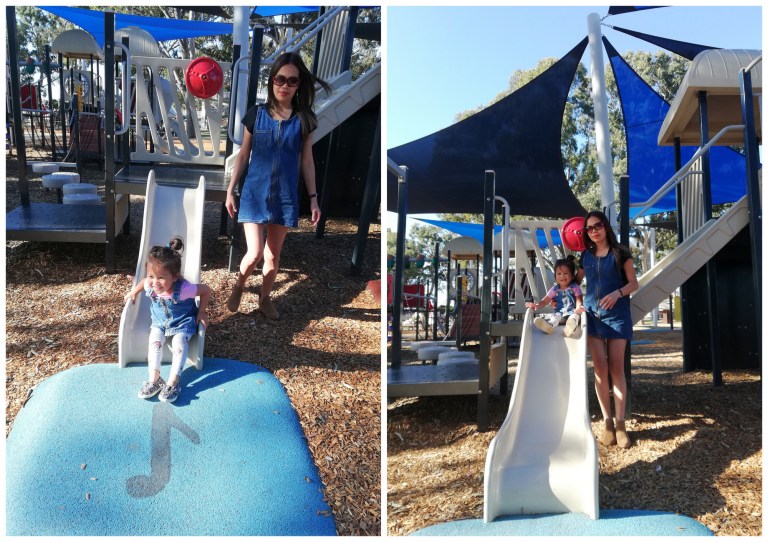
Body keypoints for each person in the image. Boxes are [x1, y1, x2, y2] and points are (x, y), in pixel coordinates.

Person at [224, 52, 329, 320]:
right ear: (272, 80)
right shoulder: (256, 114)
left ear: (299, 85)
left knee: (272, 257)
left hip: (284, 196)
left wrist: (313, 198)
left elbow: (307, 161)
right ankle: (239, 286)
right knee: (255, 253)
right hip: (254, 193)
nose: (285, 85)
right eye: (280, 79)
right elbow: (243, 155)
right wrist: (230, 190)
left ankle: (265, 299)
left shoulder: (304, 120)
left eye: (292, 81)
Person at [575, 211, 638, 449]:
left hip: (617, 316)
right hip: (593, 317)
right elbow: (574, 283)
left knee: (616, 368)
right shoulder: (585, 256)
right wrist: (566, 299)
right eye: (589, 228)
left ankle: (621, 425)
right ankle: (607, 423)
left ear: (605, 227)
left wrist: (617, 293)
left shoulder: (621, 252)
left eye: (597, 226)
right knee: (600, 369)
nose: (594, 231)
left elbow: (633, 283)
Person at [124, 237, 210, 403]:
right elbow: (144, 282)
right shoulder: (150, 284)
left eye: (161, 278)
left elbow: (206, 290)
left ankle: (173, 382)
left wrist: (201, 313)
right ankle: (154, 379)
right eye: (151, 275)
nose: (155, 282)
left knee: (179, 343)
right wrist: (134, 292)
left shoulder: (184, 289)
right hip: (159, 322)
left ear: (175, 277)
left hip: (182, 322)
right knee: (154, 341)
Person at [525, 255, 585, 337]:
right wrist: (536, 305)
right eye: (559, 273)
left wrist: (578, 308)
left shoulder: (574, 287)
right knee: (555, 317)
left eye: (566, 273)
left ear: (572, 275)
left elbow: (579, 300)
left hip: (572, 312)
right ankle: (549, 326)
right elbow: (545, 301)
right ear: (555, 276)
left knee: (575, 317)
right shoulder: (554, 289)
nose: (562, 276)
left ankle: (570, 327)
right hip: (560, 315)